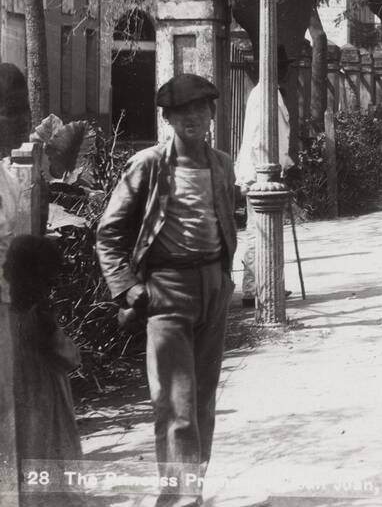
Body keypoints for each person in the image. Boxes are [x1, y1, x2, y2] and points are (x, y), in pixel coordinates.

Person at [96, 73, 238, 507]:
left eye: (200, 109)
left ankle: (192, 490)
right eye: (182, 112)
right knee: (175, 404)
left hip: (213, 288)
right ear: (169, 120)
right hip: (167, 290)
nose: (193, 118)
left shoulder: (222, 164)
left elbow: (225, 220)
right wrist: (128, 289)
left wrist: (227, 279)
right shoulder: (149, 165)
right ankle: (179, 499)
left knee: (204, 402)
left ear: (213, 113)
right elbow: (109, 232)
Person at [5, 234, 83, 502]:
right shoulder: (39, 319)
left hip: (17, 407)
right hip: (46, 406)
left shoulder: (7, 318)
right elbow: (71, 358)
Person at [233, 76, 292, 307]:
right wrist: (267, 172)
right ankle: (256, 289)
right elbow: (259, 138)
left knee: (260, 232)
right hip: (260, 173)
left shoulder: (270, 93)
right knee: (258, 232)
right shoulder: (263, 95)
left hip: (262, 171)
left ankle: (262, 286)